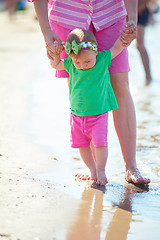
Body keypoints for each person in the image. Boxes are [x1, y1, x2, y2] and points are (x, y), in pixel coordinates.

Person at [28, 0, 151, 184]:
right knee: (80, 87)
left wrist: (132, 18)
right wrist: (46, 30)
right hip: (67, 14)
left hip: (110, 11)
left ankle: (131, 166)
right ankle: (93, 167)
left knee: (120, 85)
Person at [50, 28, 129, 185]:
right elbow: (55, 64)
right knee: (82, 145)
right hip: (77, 115)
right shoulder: (71, 64)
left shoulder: (101, 59)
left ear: (95, 51)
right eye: (78, 62)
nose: (83, 66)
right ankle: (92, 170)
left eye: (87, 61)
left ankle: (101, 170)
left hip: (98, 114)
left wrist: (127, 35)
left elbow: (118, 47)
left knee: (100, 144)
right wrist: (56, 53)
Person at [136, 0, 152, 85]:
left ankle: (148, 77)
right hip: (132, 10)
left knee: (140, 45)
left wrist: (141, 6)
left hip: (140, 11)